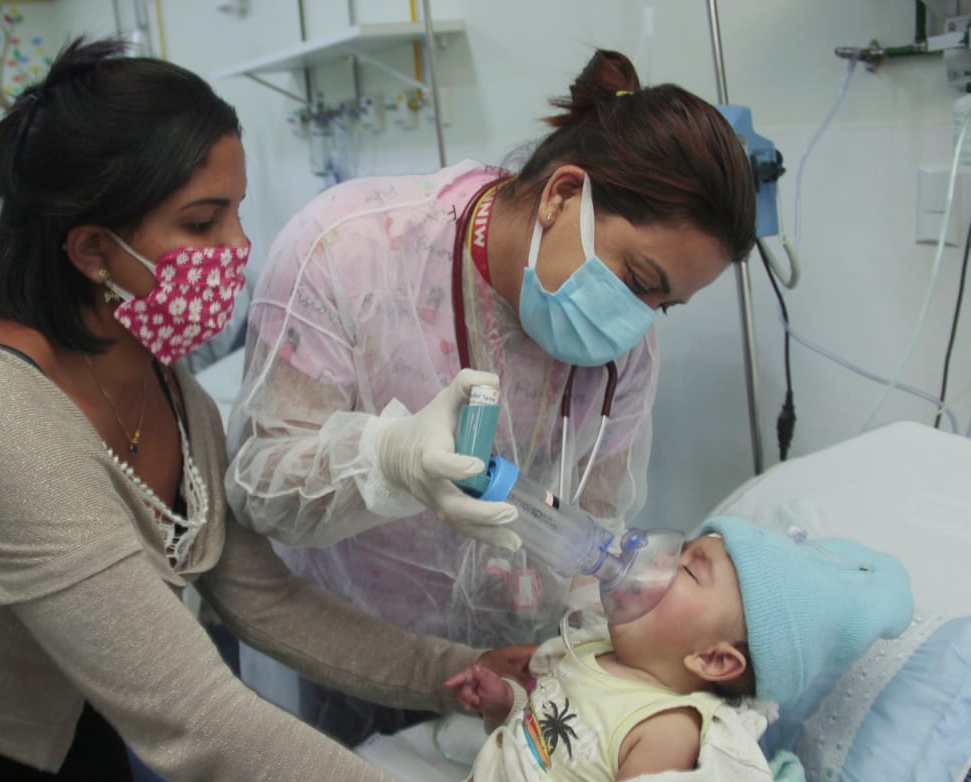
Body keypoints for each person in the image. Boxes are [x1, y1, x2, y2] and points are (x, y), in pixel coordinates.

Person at [0, 39, 602, 782]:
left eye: (239, 211)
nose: (239, 249)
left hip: (65, 726)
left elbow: (262, 599)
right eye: (203, 220)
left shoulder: (171, 390)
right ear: (94, 248)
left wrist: (457, 668)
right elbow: (195, 715)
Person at [224, 48, 757, 744]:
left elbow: (591, 532)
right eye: (636, 277)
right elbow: (259, 487)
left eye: (665, 303)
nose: (637, 319)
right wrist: (385, 460)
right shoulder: (349, 251)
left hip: (515, 673)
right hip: (354, 647)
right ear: (563, 194)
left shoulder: (626, 344)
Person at [445, 516, 914, 782]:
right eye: (677, 550)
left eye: (687, 569)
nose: (657, 559)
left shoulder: (666, 729)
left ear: (712, 659)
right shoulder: (592, 648)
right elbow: (547, 733)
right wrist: (506, 700)